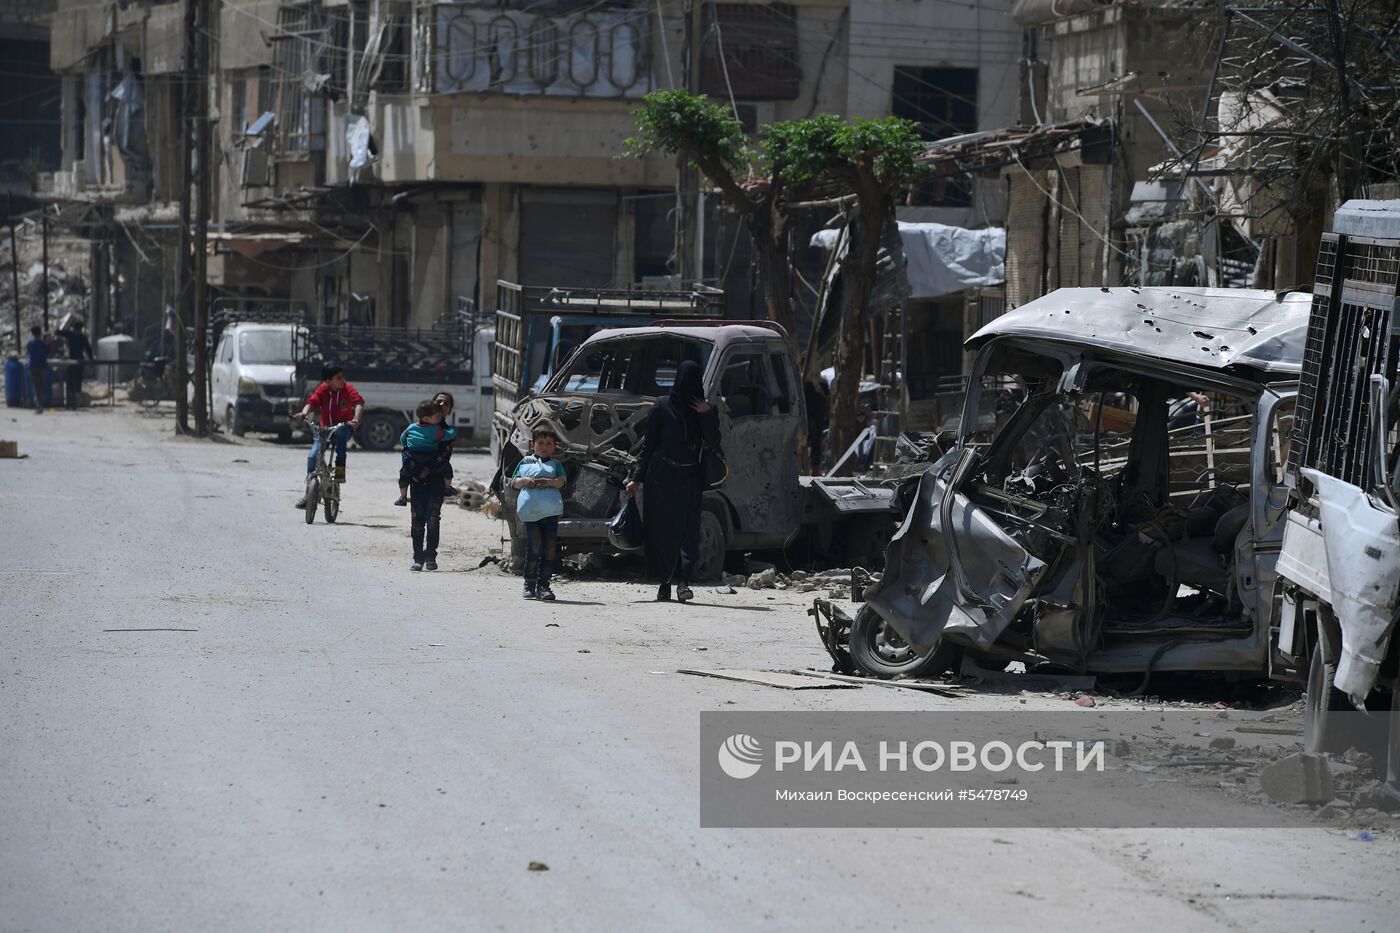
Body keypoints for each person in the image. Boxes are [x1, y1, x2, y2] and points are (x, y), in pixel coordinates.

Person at [625, 359, 719, 603]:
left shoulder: (705, 410)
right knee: (663, 532)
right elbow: (649, 446)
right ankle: (665, 582)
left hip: (690, 478)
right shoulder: (661, 406)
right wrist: (637, 479)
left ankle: (684, 582)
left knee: (689, 532)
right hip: (661, 479)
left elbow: (714, 444)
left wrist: (706, 416)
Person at [292, 365, 364, 508]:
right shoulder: (323, 390)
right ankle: (308, 494)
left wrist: (356, 418)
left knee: (341, 433)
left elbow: (358, 403)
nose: (342, 380)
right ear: (328, 381)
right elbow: (312, 402)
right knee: (312, 457)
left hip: (343, 426)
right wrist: (304, 413)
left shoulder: (348, 388)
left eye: (342, 376)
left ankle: (340, 470)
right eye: (338, 378)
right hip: (325, 429)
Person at [511, 425, 567, 600]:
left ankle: (544, 586)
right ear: (532, 445)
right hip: (531, 514)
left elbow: (561, 482)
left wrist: (549, 482)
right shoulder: (525, 462)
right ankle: (529, 583)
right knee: (534, 548)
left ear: (554, 446)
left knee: (549, 550)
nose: (544, 447)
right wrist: (525, 481)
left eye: (548, 443)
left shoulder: (556, 464)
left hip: (550, 514)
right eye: (540, 443)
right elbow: (514, 482)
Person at [396, 399, 457, 507]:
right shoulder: (436, 430)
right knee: (446, 468)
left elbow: (402, 439)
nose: (439, 418)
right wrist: (453, 430)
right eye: (437, 416)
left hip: (413, 458)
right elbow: (449, 435)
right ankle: (448, 488)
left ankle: (403, 497)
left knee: (404, 474)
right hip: (430, 457)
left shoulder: (411, 427)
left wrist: (409, 445)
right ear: (426, 419)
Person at [56, 319, 95, 410]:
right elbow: (59, 333)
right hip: (72, 361)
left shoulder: (81, 337)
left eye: (77, 330)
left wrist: (91, 360)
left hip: (78, 361)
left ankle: (75, 401)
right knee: (70, 381)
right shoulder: (72, 335)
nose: (76, 331)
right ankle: (70, 401)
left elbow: (88, 350)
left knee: (77, 381)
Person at [432, 391, 459, 497]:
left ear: (449, 411)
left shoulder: (448, 431)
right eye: (439, 401)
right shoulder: (417, 427)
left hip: (437, 476)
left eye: (446, 404)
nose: (442, 405)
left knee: (433, 511)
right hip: (419, 475)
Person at [24, 325, 50, 414]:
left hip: (33, 367)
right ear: (40, 333)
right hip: (43, 367)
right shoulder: (44, 343)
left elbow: (27, 353)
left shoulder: (30, 344)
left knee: (37, 387)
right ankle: (40, 404)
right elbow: (47, 353)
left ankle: (39, 406)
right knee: (41, 386)